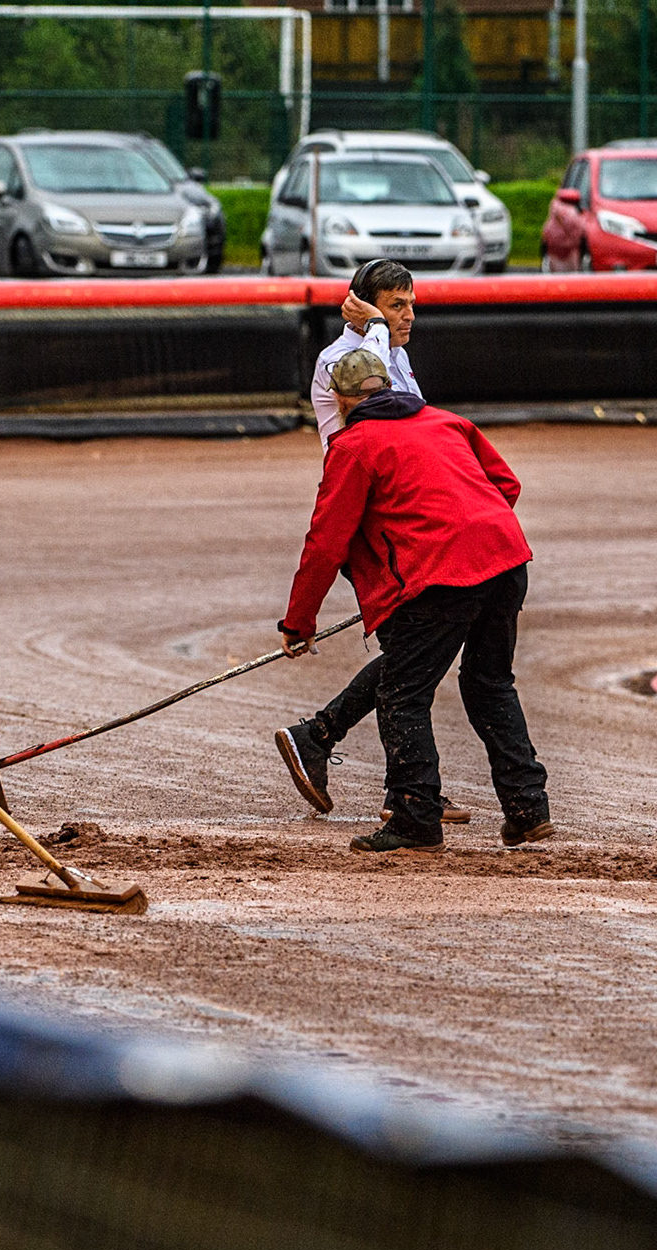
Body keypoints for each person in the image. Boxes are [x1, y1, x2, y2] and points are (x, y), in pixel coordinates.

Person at [278, 348, 550, 855]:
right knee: (490, 683)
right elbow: (505, 485)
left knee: (403, 694)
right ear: (387, 387)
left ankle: (415, 817)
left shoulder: (352, 445)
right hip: (506, 559)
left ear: (339, 400)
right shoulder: (447, 422)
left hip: (440, 579)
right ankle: (528, 807)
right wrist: (467, 534)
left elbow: (326, 541)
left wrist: (299, 621)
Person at [273, 258, 467, 826]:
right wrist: (373, 329)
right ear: (361, 308)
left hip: (403, 515)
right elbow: (379, 396)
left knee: (414, 654)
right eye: (396, 306)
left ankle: (353, 755)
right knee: (416, 655)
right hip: (370, 520)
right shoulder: (345, 359)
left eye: (411, 303)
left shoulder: (392, 351)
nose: (409, 315)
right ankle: (400, 785)